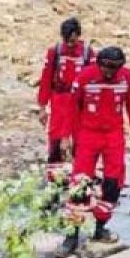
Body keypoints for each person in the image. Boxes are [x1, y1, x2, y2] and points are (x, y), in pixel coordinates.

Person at [58, 46, 130, 258]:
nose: (110, 73)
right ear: (99, 63)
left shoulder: (125, 77)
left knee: (113, 182)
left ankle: (100, 227)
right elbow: (71, 106)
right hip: (88, 135)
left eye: (114, 68)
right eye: (106, 68)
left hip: (114, 136)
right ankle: (72, 236)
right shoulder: (86, 76)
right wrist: (65, 136)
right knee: (79, 184)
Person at [37, 17, 92, 186]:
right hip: (59, 100)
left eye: (73, 41)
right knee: (55, 138)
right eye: (67, 41)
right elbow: (46, 79)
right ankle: (54, 182)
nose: (70, 44)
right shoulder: (55, 52)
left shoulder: (87, 54)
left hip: (78, 104)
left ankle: (80, 182)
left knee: (79, 140)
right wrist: (42, 106)